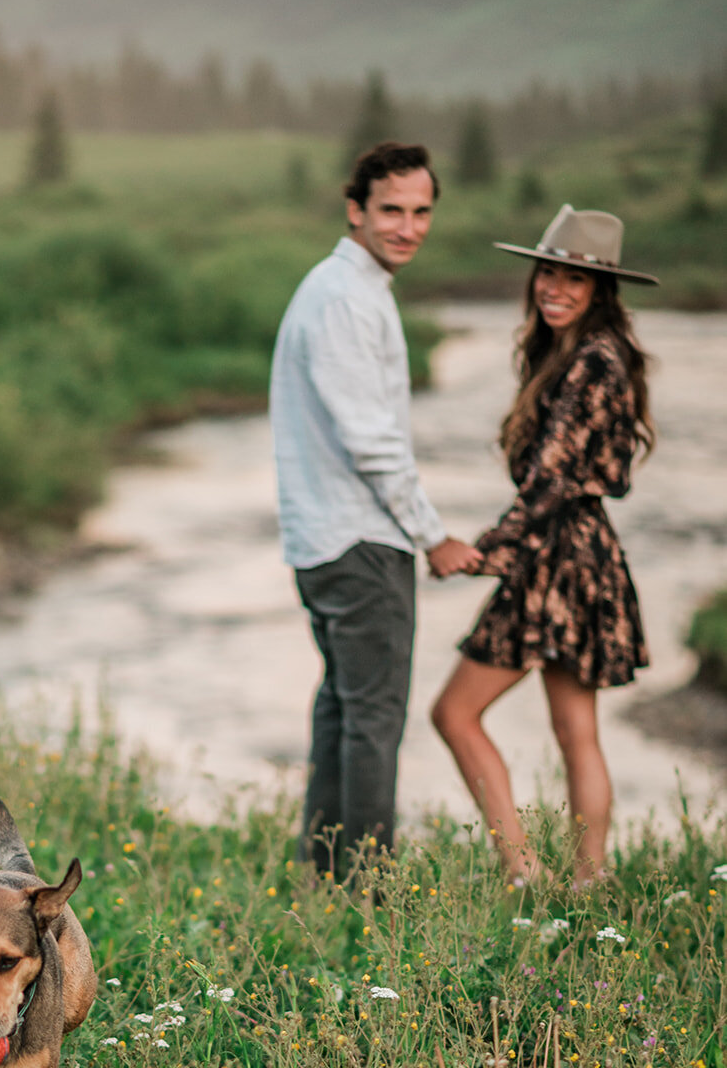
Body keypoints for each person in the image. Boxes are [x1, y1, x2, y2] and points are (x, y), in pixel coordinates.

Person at [431, 204, 658, 886]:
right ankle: (584, 882)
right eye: (547, 273)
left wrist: (486, 551)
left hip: (559, 555)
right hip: (578, 553)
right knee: (573, 731)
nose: (554, 288)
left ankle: (526, 870)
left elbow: (555, 477)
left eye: (574, 280)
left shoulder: (595, 360)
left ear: (600, 291)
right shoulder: (580, 353)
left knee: (456, 712)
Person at [270, 141, 479, 876]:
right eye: (391, 210)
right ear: (355, 210)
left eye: (422, 211)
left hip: (325, 539)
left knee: (344, 710)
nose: (408, 227)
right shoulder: (344, 300)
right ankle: (368, 892)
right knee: (373, 722)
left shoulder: (347, 290)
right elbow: (373, 442)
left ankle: (322, 871)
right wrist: (436, 537)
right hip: (358, 542)